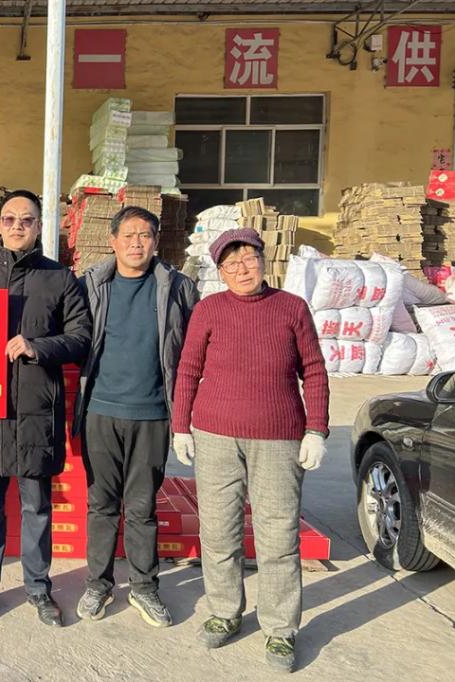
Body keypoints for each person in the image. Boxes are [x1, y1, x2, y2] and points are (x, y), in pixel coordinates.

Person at [171, 228, 328, 673]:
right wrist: (181, 427)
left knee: (278, 535)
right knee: (219, 531)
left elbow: (314, 371)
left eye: (249, 259)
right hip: (215, 435)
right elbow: (188, 370)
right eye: (231, 264)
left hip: (278, 438)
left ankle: (280, 629)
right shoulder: (209, 309)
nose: (242, 270)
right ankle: (225, 612)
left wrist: (316, 429)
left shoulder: (291, 308)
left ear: (264, 260)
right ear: (221, 271)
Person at [0, 189, 91, 627]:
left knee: (37, 508)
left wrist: (37, 347)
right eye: (10, 219)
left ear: (38, 226)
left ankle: (38, 589)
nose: (18, 226)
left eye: (27, 220)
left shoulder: (59, 278)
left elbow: (81, 338)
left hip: (36, 410)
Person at [72, 206, 198, 626]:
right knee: (101, 505)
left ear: (156, 241)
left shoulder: (177, 287)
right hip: (100, 411)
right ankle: (98, 584)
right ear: (113, 241)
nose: (136, 243)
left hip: (153, 414)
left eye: (145, 235)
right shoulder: (91, 285)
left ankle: (145, 587)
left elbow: (197, 349)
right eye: (128, 235)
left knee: (143, 506)